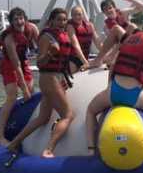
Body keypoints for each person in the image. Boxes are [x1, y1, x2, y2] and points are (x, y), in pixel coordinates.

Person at [8, 8, 86, 158]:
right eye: (59, 20)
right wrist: (50, 52)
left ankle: (14, 143)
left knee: (43, 118)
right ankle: (48, 150)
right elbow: (40, 63)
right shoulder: (47, 37)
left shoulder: (63, 35)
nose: (62, 23)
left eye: (64, 20)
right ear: (52, 21)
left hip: (57, 78)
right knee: (68, 115)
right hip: (49, 78)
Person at [86, 17, 143, 154]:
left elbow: (113, 65)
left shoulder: (129, 38)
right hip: (135, 95)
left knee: (90, 110)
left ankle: (91, 148)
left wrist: (109, 87)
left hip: (113, 93)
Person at [0, 7, 39, 146]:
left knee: (31, 92)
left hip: (23, 61)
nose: (19, 22)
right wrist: (23, 89)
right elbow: (15, 65)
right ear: (11, 22)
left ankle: (27, 125)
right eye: (15, 20)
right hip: (9, 64)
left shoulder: (32, 29)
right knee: (12, 95)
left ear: (25, 19)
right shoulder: (9, 38)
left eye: (21, 18)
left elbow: (41, 46)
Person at [66, 6, 103, 73]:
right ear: (71, 16)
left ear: (83, 14)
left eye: (79, 14)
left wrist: (106, 54)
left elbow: (98, 42)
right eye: (75, 14)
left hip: (85, 57)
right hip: (73, 59)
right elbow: (76, 45)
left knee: (102, 61)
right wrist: (85, 62)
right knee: (72, 74)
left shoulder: (90, 25)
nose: (77, 16)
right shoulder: (70, 26)